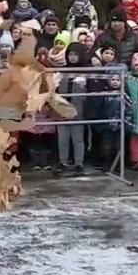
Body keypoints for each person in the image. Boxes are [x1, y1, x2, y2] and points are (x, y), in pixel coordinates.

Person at [56, 42, 89, 175]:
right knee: (62, 138)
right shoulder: (62, 71)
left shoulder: (87, 71)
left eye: (75, 54)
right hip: (62, 108)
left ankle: (79, 162)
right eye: (70, 54)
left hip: (78, 109)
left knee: (78, 138)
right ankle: (62, 161)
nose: (73, 57)